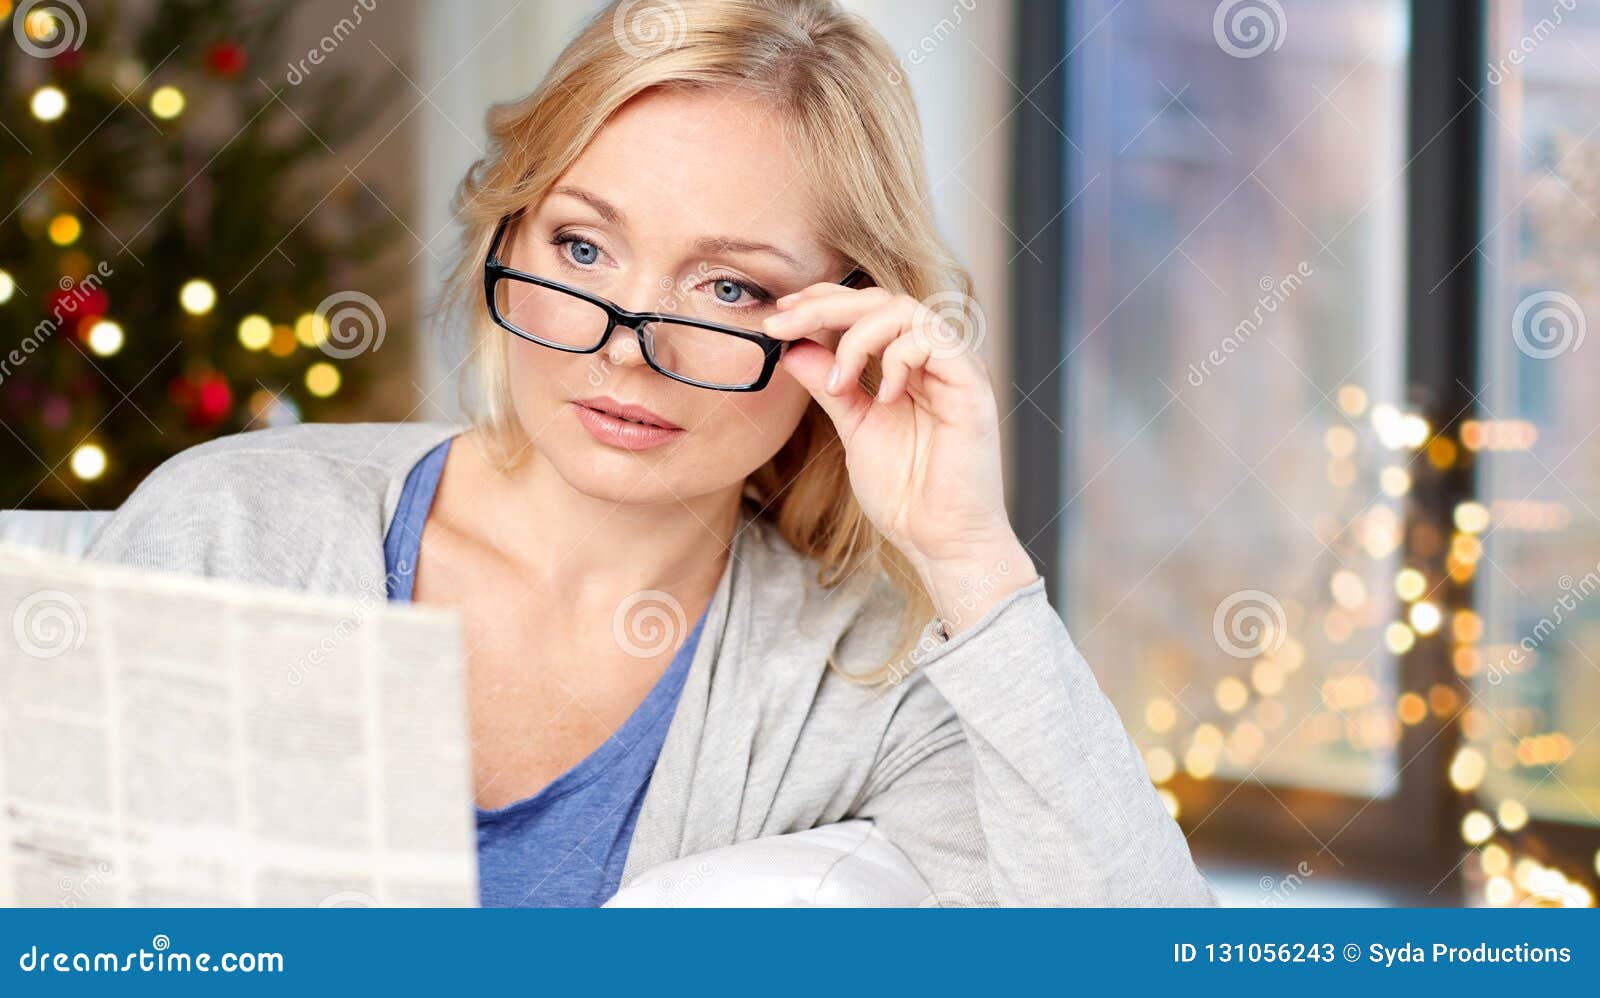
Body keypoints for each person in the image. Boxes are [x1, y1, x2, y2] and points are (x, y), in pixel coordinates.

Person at [89, 0, 1214, 907]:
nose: (627, 348)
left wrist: (969, 552)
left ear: (847, 322)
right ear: (509, 231)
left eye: (729, 287)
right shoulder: (234, 530)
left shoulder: (862, 673)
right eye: (583, 246)